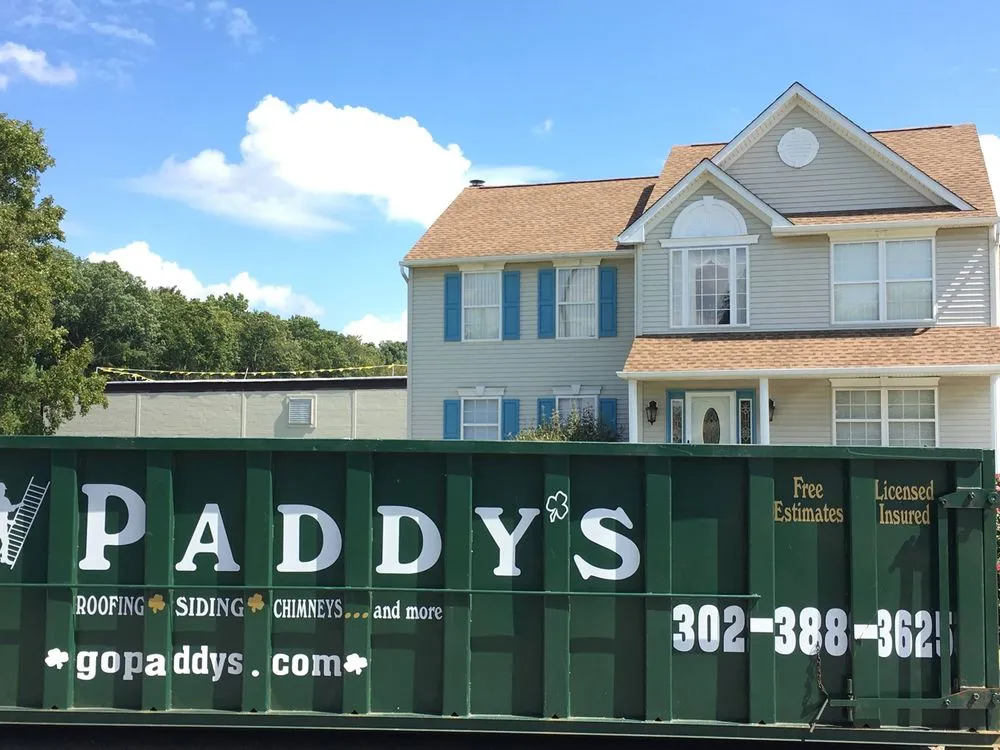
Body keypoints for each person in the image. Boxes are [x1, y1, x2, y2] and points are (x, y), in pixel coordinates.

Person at [0, 483, 22, 566]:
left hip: (3, 525)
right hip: (2, 526)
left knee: (5, 541)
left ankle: (3, 556)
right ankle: (4, 558)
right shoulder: (4, 500)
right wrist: (19, 505)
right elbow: (10, 509)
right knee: (5, 541)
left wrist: (9, 521)